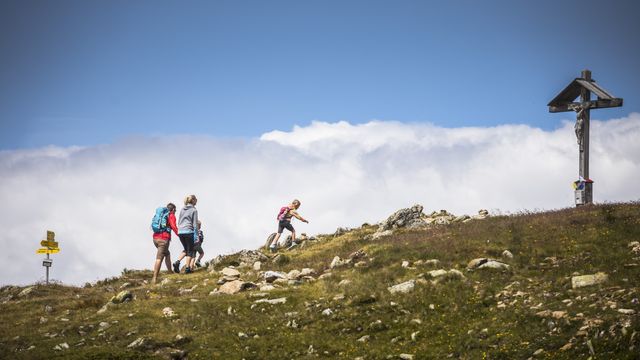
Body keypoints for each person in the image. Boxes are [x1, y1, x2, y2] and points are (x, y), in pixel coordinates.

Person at [152, 203, 179, 284]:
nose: (175, 211)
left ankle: (170, 272)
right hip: (163, 239)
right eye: (175, 210)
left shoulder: (161, 215)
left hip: (155, 238)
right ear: (173, 209)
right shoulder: (171, 215)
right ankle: (154, 278)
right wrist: (179, 235)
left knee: (167, 254)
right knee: (159, 258)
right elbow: (173, 226)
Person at [173, 195, 198, 274]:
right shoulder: (194, 210)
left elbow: (179, 221)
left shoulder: (182, 209)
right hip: (189, 231)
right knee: (190, 250)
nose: (197, 201)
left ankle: (177, 262)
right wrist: (196, 235)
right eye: (196, 199)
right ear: (193, 200)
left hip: (181, 232)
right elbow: (195, 224)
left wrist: (180, 230)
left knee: (186, 249)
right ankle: (187, 268)